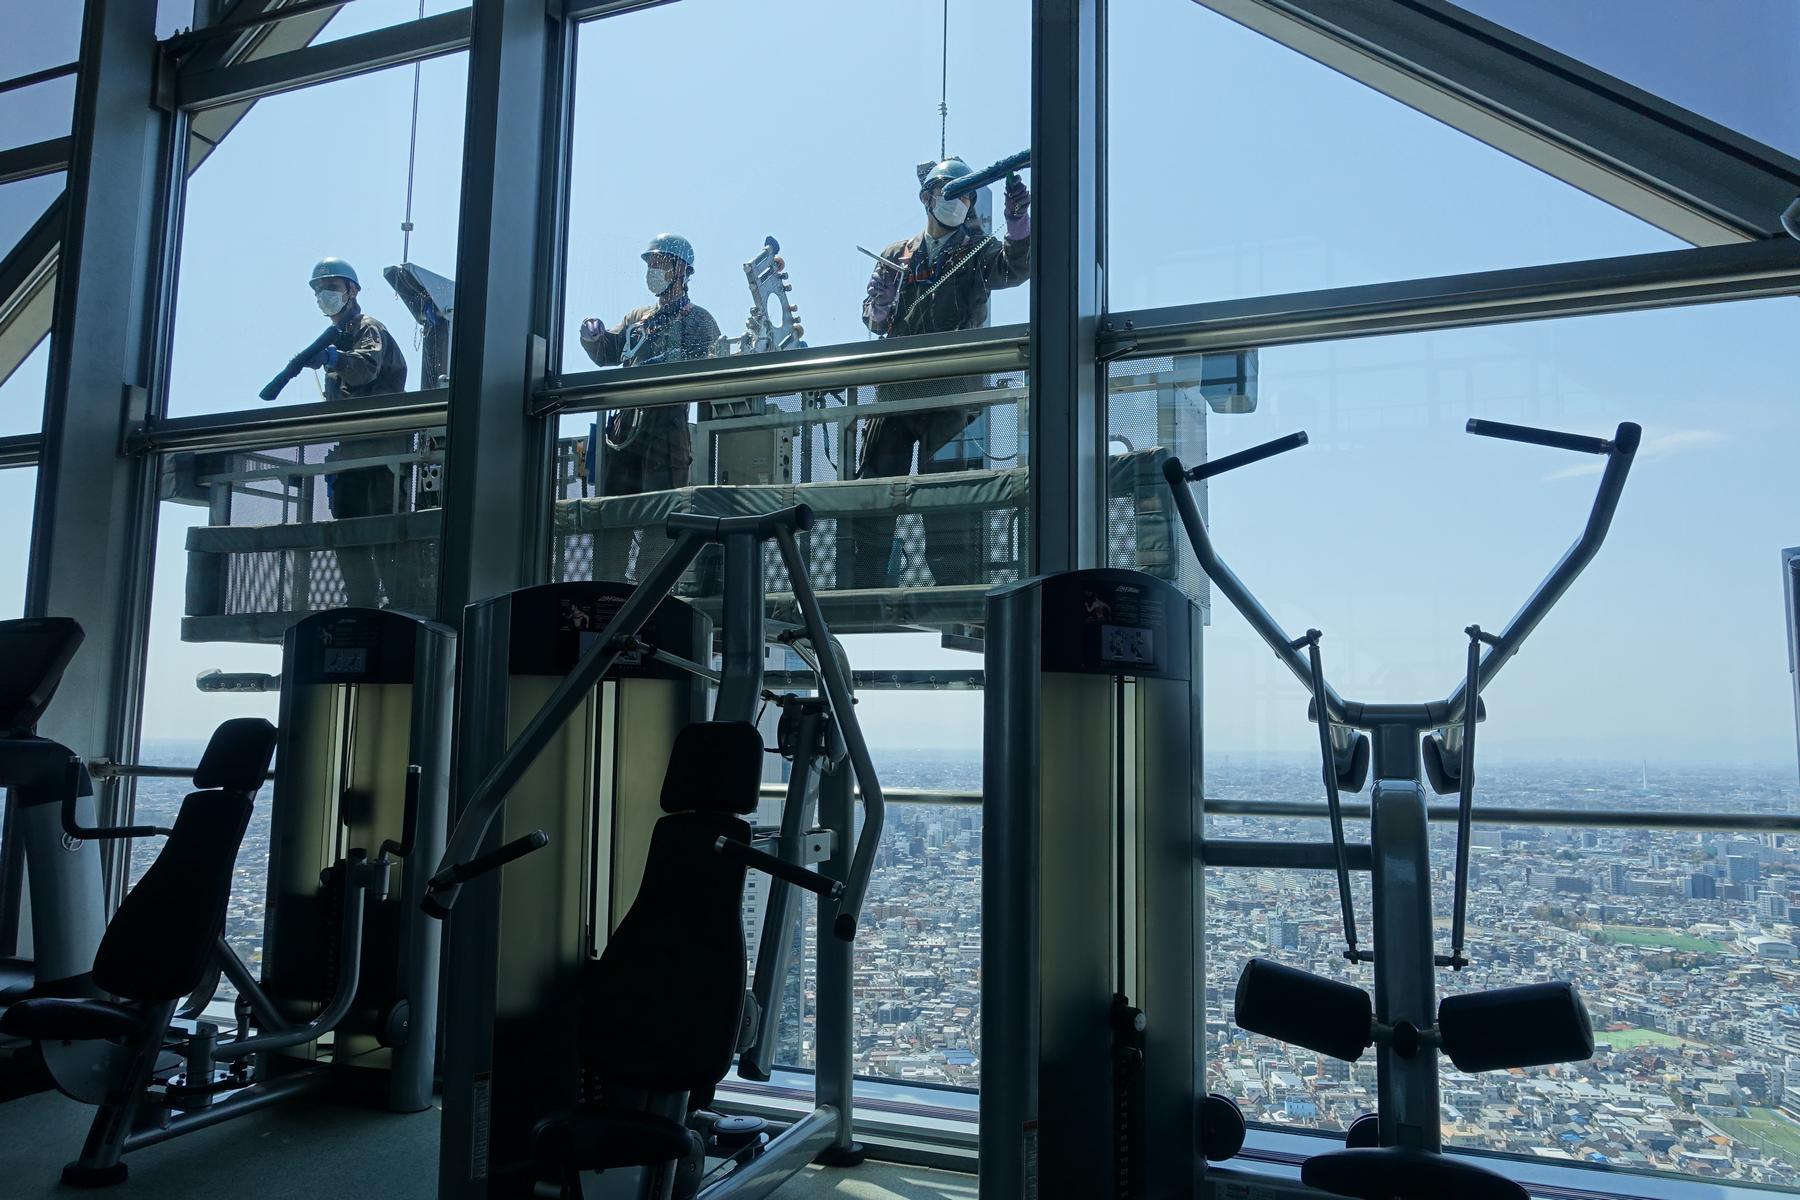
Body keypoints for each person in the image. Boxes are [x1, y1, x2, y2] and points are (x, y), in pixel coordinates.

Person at [849, 157, 1031, 589]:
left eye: (967, 196)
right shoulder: (897, 255)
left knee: (948, 502)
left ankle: (957, 587)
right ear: (928, 197)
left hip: (950, 394)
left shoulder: (978, 250)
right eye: (952, 194)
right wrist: (880, 305)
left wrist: (1018, 223)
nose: (960, 203)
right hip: (894, 395)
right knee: (876, 492)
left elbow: (1016, 267)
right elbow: (872, 321)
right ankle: (866, 583)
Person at [577, 233, 721, 581]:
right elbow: (608, 351)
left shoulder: (699, 321)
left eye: (659, 263)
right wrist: (593, 336)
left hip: (667, 434)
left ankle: (650, 606)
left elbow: (715, 375)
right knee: (613, 525)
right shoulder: (638, 317)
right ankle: (605, 598)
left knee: (660, 529)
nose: (653, 270)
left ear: (681, 270)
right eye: (650, 263)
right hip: (625, 434)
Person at [302, 257, 414, 610]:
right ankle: (362, 600)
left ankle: (400, 601)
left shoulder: (368, 329)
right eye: (320, 289)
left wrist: (335, 360)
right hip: (352, 451)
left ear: (351, 291)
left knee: (383, 528)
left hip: (383, 452)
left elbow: (365, 369)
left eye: (332, 287)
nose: (325, 295)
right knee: (348, 529)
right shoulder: (339, 335)